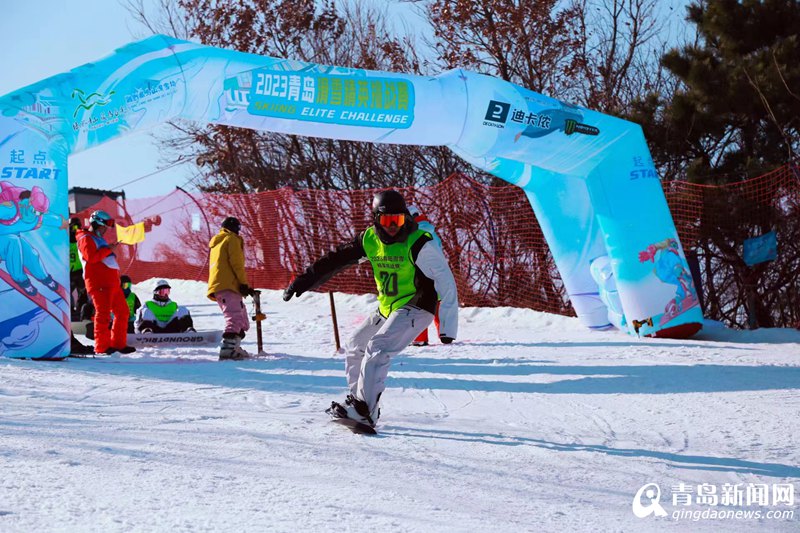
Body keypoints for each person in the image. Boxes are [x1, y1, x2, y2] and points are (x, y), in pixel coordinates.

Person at [283, 190, 458, 428]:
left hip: (416, 305)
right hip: (388, 306)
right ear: (376, 219)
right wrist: (303, 281)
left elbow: (446, 281)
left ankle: (363, 410)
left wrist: (447, 326)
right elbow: (336, 259)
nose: (393, 226)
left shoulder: (419, 243)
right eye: (387, 221)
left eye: (398, 220)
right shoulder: (369, 239)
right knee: (355, 344)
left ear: (405, 217)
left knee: (378, 347)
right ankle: (361, 404)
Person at [76, 210, 135, 355]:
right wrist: (109, 249)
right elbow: (91, 257)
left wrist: (109, 249)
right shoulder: (85, 237)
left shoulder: (96, 237)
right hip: (99, 283)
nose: (105, 230)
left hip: (112, 283)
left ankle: (118, 344)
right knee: (103, 315)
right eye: (104, 226)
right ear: (97, 223)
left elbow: (103, 257)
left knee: (123, 312)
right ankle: (102, 347)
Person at [207, 216, 253, 360]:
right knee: (234, 317)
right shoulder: (231, 239)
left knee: (242, 319)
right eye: (238, 228)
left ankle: (235, 346)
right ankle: (228, 349)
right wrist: (244, 284)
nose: (239, 232)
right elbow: (236, 264)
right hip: (229, 285)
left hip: (221, 285)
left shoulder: (217, 242)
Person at [407, 205, 444, 347]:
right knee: (438, 304)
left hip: (421, 273)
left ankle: (420, 338)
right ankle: (445, 334)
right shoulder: (431, 230)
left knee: (420, 305)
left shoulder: (413, 233)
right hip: (438, 271)